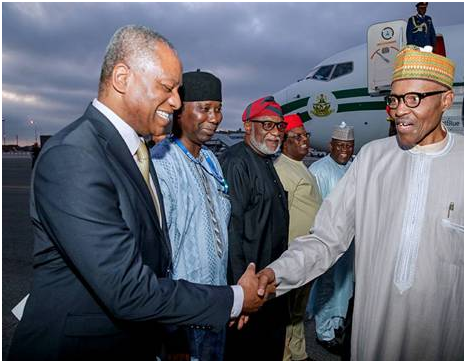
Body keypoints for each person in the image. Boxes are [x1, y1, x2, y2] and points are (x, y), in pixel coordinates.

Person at [8, 25, 265, 361]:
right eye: (167, 87)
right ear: (122, 78)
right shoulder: (75, 155)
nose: (175, 102)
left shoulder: (136, 153)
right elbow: (128, 289)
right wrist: (234, 299)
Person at [258, 45, 464, 360]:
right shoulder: (373, 158)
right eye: (394, 99)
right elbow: (325, 239)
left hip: (454, 343)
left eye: (413, 99)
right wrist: (275, 275)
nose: (399, 110)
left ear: (446, 100)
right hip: (376, 341)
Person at [151, 70, 230, 360]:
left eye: (218, 109)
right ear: (179, 112)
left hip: (216, 304)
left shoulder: (211, 160)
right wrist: (172, 336)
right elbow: (158, 254)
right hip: (183, 313)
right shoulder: (163, 164)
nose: (215, 117)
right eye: (205, 108)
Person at [220, 96, 290, 360]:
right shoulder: (237, 162)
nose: (275, 133)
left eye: (279, 127)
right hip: (249, 288)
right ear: (248, 126)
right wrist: (242, 294)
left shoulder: (265, 159)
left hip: (267, 284)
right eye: (267, 125)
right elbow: (231, 229)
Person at [274, 114, 322, 361]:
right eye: (298, 137)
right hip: (292, 254)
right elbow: (280, 220)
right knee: (286, 311)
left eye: (306, 136)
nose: (305, 141)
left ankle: (298, 353)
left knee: (297, 311)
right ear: (285, 141)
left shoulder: (299, 166)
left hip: (306, 254)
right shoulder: (282, 169)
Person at [305, 121, 355, 355]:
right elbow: (312, 209)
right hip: (329, 241)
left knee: (345, 286)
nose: (344, 150)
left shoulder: (355, 167)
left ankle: (336, 325)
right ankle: (324, 333)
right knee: (327, 286)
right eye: (340, 145)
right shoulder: (318, 170)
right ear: (330, 145)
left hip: (350, 242)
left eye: (349, 145)